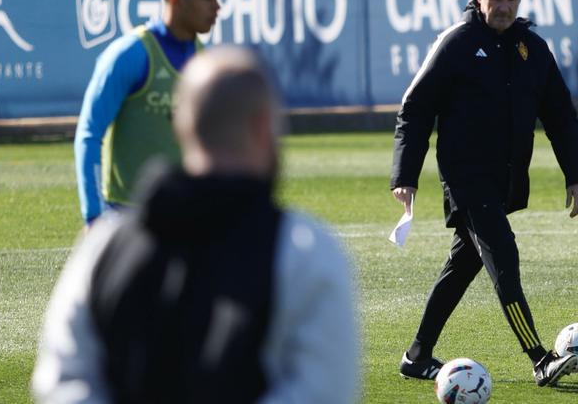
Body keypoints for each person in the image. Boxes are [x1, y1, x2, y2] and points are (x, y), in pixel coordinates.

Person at [33, 46, 360, 403]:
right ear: (264, 125)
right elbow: (322, 392)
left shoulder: (104, 247)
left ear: (182, 125)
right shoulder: (305, 251)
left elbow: (64, 383)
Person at [390, 0, 578, 387]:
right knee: (504, 255)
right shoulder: (457, 43)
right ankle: (539, 358)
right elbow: (415, 108)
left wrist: (577, 175)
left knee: (462, 266)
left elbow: (560, 115)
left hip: (503, 182)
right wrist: (405, 174)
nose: (503, 6)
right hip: (465, 178)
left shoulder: (531, 49)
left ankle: (417, 354)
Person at [74, 0, 220, 227]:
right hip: (128, 218)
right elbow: (89, 134)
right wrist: (94, 217)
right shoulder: (130, 55)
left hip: (187, 215)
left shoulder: (204, 62)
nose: (217, 7)